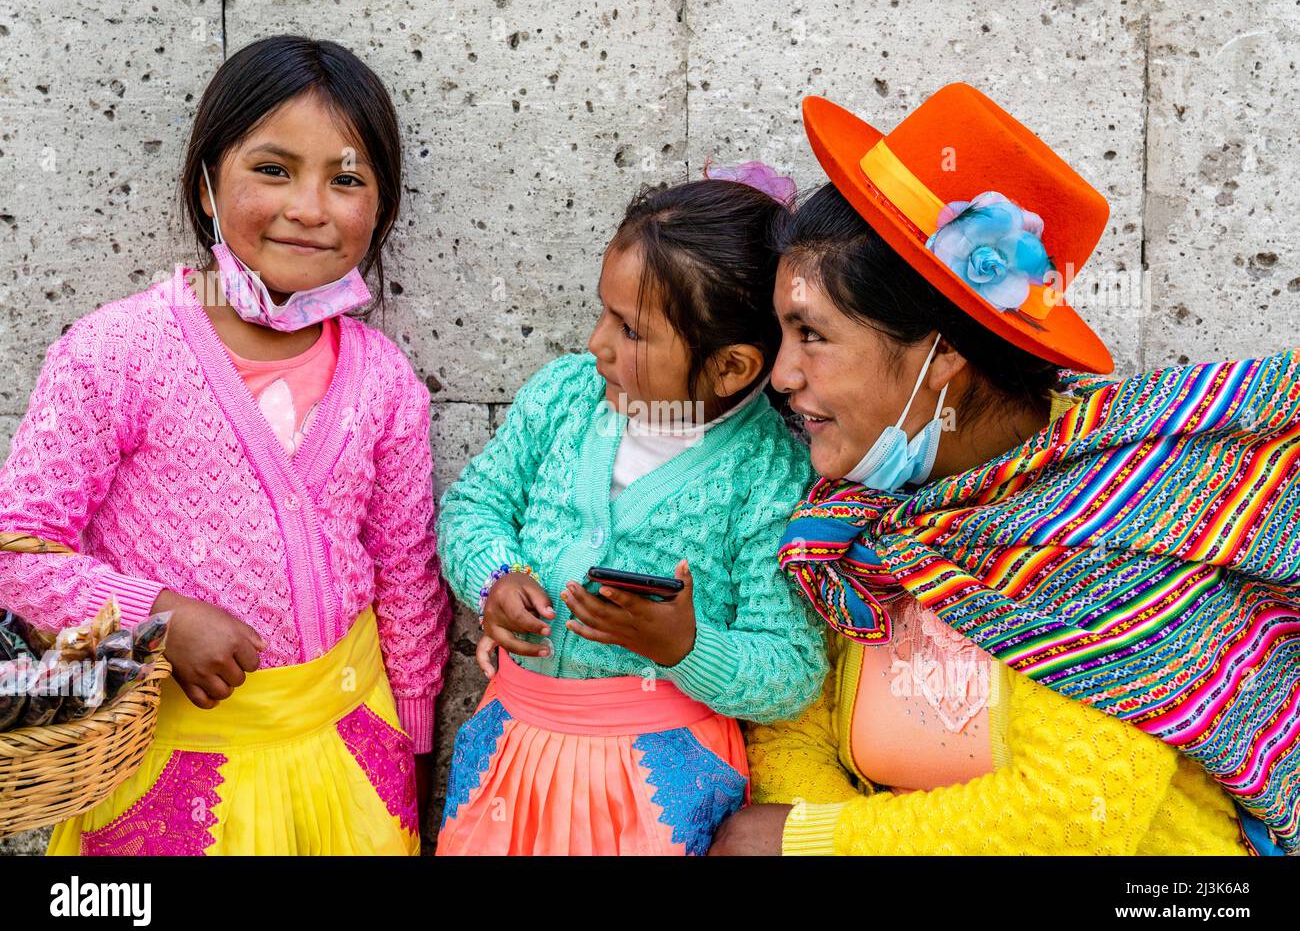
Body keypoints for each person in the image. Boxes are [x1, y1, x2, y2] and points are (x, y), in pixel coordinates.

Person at [711, 83, 1298, 855]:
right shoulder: (850, 520)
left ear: (943, 348)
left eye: (812, 335)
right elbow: (789, 726)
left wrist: (817, 841)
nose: (782, 376)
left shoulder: (1113, 534)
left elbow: (1073, 817)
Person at [0, 35, 451, 855]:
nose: (309, 207)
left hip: (350, 762)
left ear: (381, 206)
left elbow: (407, 577)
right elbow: (16, 552)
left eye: (346, 179)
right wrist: (159, 616)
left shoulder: (384, 380)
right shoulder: (118, 353)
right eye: (273, 170)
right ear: (208, 185)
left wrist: (413, 743)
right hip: (170, 776)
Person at [434, 172, 827, 855]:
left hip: (652, 791)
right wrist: (495, 579)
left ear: (731, 367)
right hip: (511, 758)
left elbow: (790, 668)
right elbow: (474, 504)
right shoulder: (565, 398)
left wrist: (684, 646)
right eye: (603, 312)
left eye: (630, 330)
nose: (597, 344)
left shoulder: (767, 475)